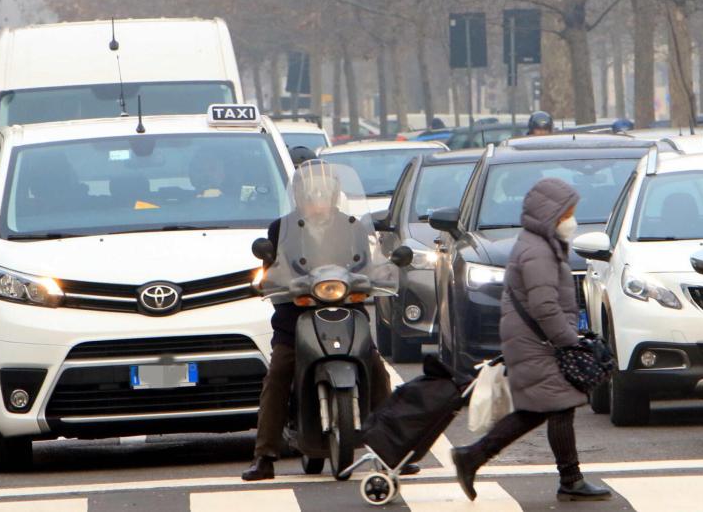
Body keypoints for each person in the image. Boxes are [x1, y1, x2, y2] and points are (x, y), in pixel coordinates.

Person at [241, 161, 417, 481]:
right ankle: (264, 456)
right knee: (279, 372)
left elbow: (367, 264)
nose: (317, 201)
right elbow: (273, 267)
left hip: (347, 308)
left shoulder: (352, 226)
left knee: (376, 370)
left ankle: (394, 449)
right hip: (296, 313)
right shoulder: (281, 228)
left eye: (323, 194)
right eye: (311, 195)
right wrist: (275, 281)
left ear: (335, 194)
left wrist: (379, 274)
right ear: (298, 196)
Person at [451, 177, 611, 502]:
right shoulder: (538, 251)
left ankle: (565, 477)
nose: (572, 221)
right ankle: (567, 478)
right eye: (568, 214)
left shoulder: (540, 244)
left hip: (534, 341)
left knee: (544, 407)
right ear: (551, 215)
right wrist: (569, 340)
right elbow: (544, 306)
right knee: (556, 404)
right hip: (537, 342)